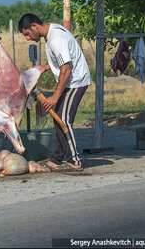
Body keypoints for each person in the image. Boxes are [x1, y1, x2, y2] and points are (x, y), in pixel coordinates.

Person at [18, 13, 91, 171]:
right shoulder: (51, 34)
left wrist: (55, 97)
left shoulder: (56, 38)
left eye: (27, 34)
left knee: (63, 120)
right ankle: (56, 159)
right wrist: (44, 68)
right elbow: (61, 60)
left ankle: (74, 161)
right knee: (58, 118)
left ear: (35, 26)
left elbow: (66, 69)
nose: (27, 39)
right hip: (70, 80)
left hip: (76, 81)